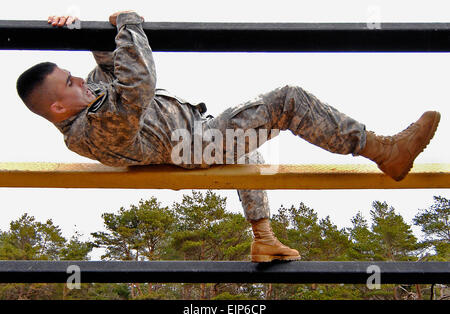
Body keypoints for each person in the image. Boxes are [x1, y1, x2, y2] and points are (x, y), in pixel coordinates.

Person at [16, 11, 441, 263]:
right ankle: (385, 150)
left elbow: (109, 71)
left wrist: (73, 28)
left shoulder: (88, 105)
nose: (80, 81)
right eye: (69, 82)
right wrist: (128, 21)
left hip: (194, 136)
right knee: (287, 101)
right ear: (57, 107)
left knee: (246, 143)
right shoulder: (91, 128)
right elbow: (137, 80)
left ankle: (263, 239)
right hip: (193, 145)